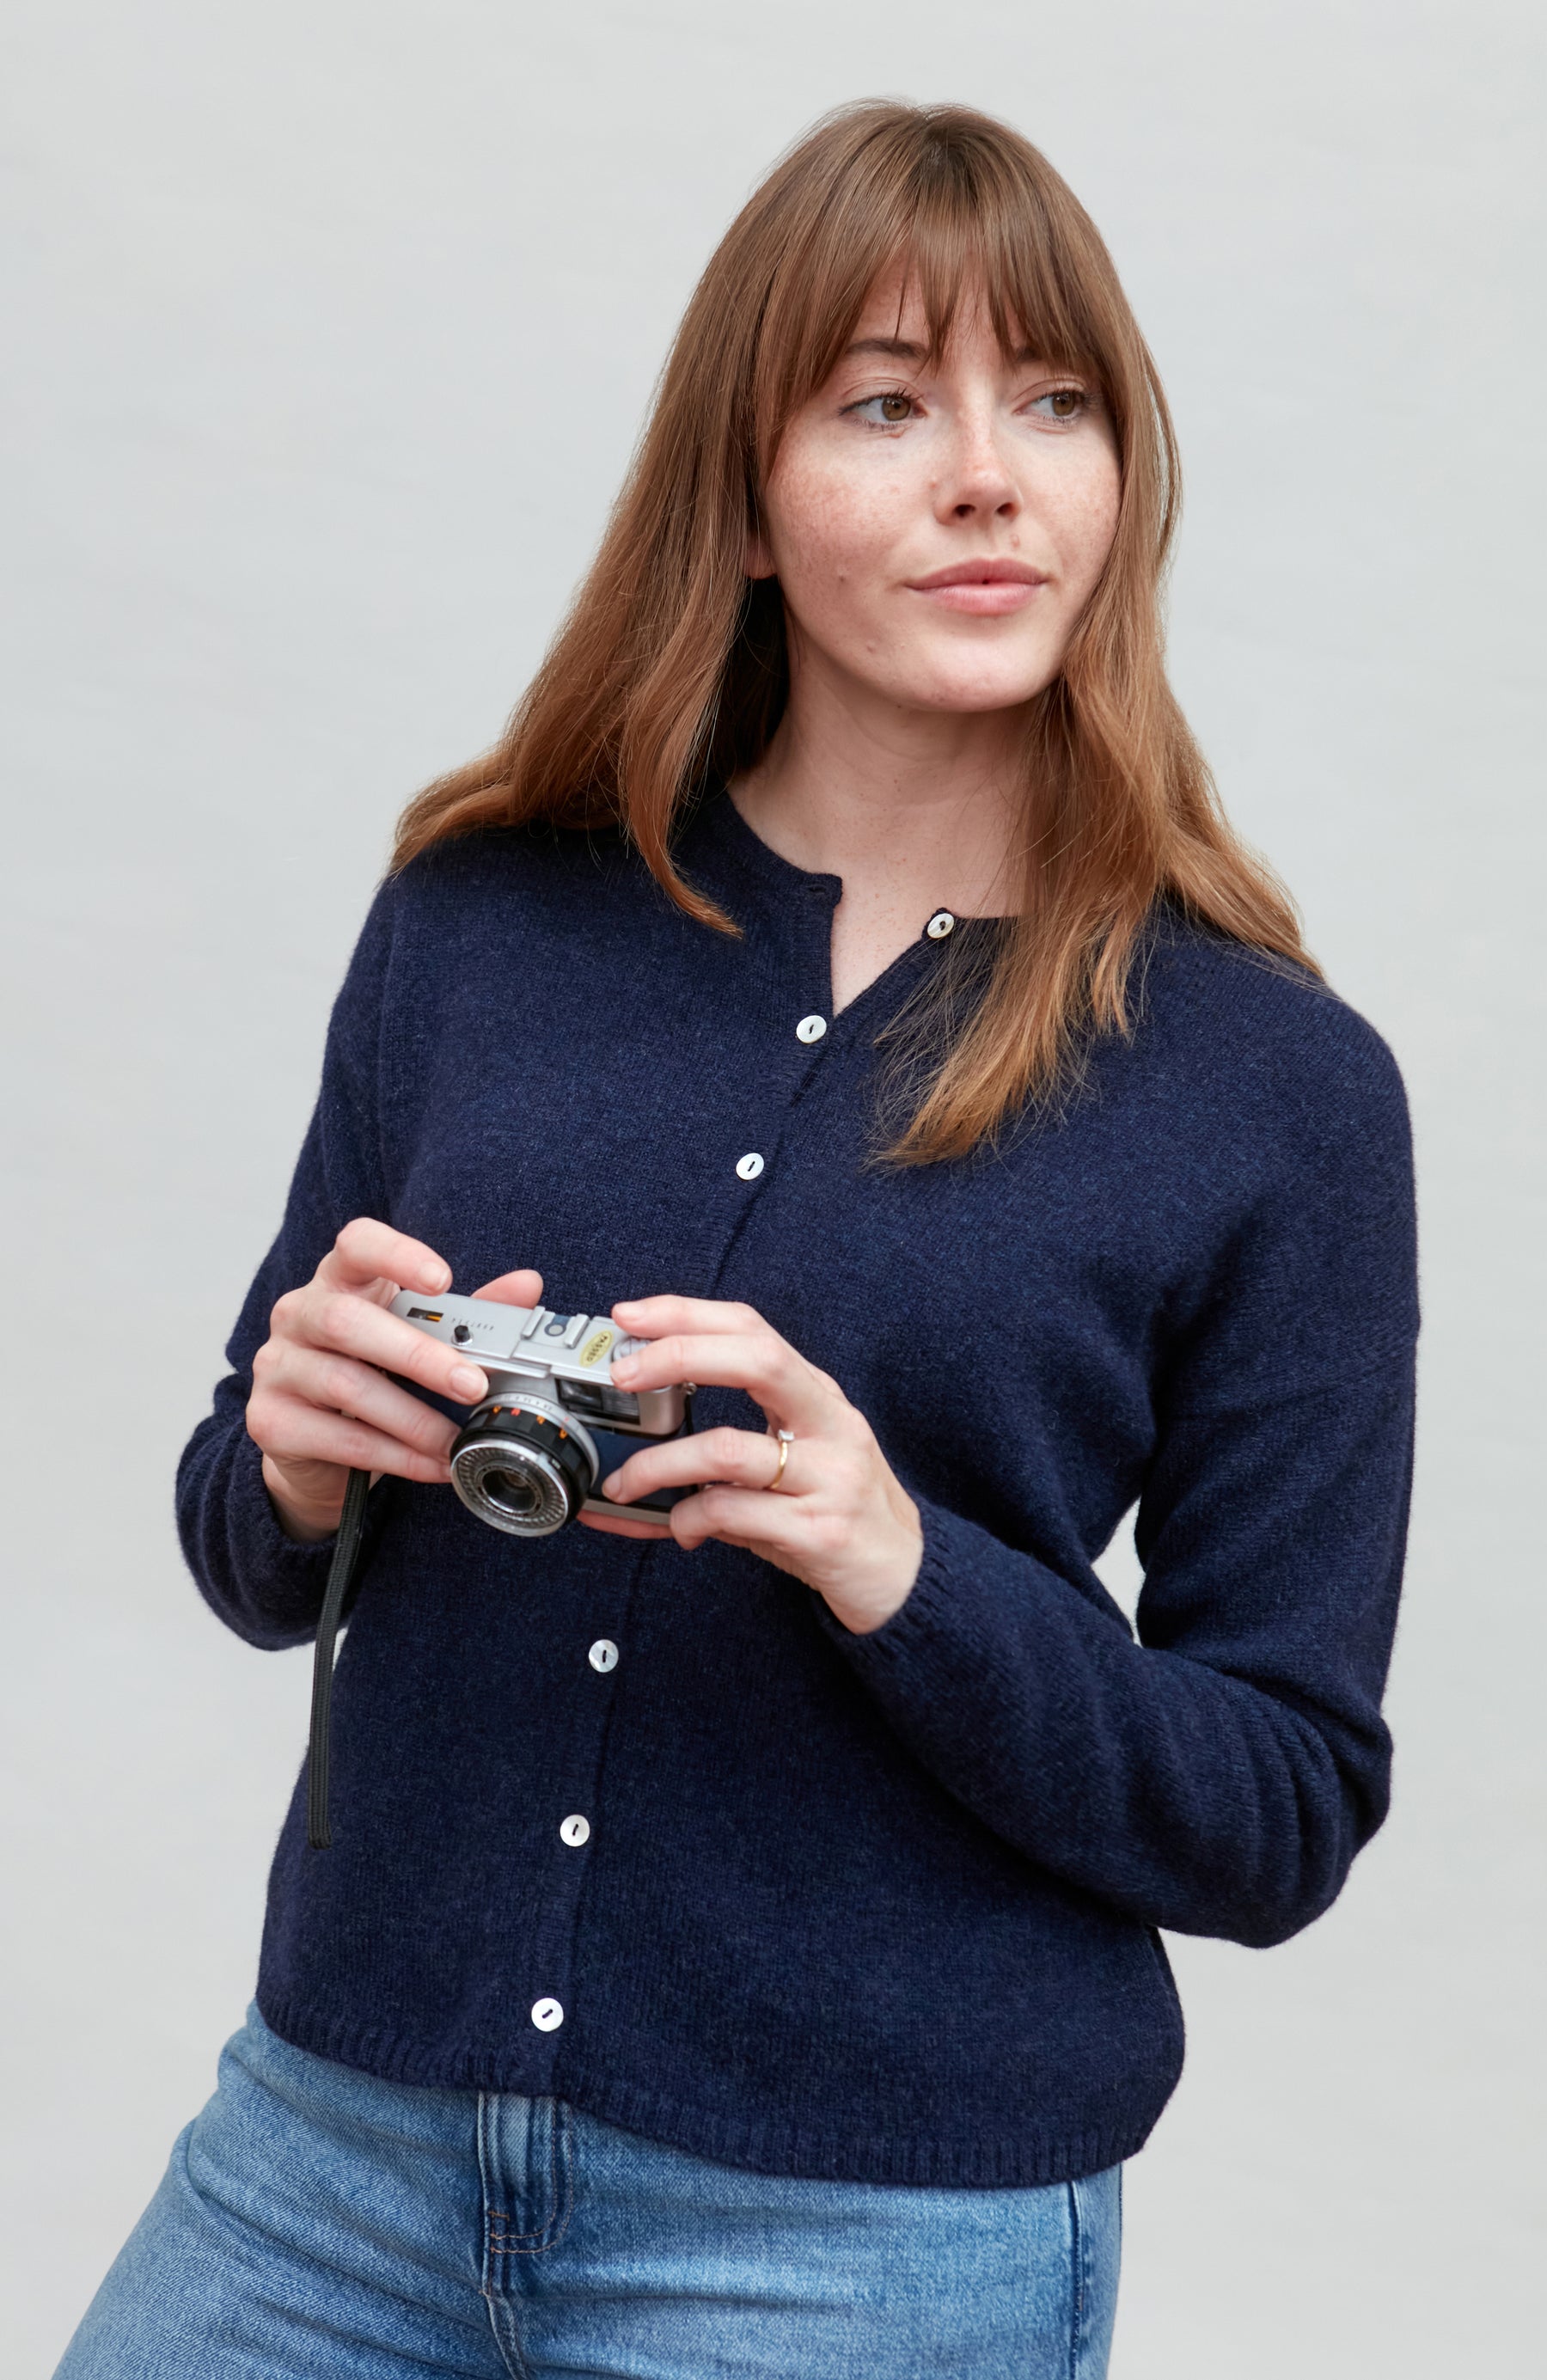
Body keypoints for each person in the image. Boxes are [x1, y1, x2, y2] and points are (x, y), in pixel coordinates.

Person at [57, 99, 1418, 2380]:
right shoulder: (480, 920)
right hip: (330, 2151)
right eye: (889, 402)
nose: (988, 475)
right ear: (752, 498)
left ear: (1118, 476)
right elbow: (248, 1543)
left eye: (1053, 402)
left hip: (861, 2243)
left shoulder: (1268, 1082)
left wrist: (900, 1554)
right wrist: (289, 1457)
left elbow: (1276, 1803)